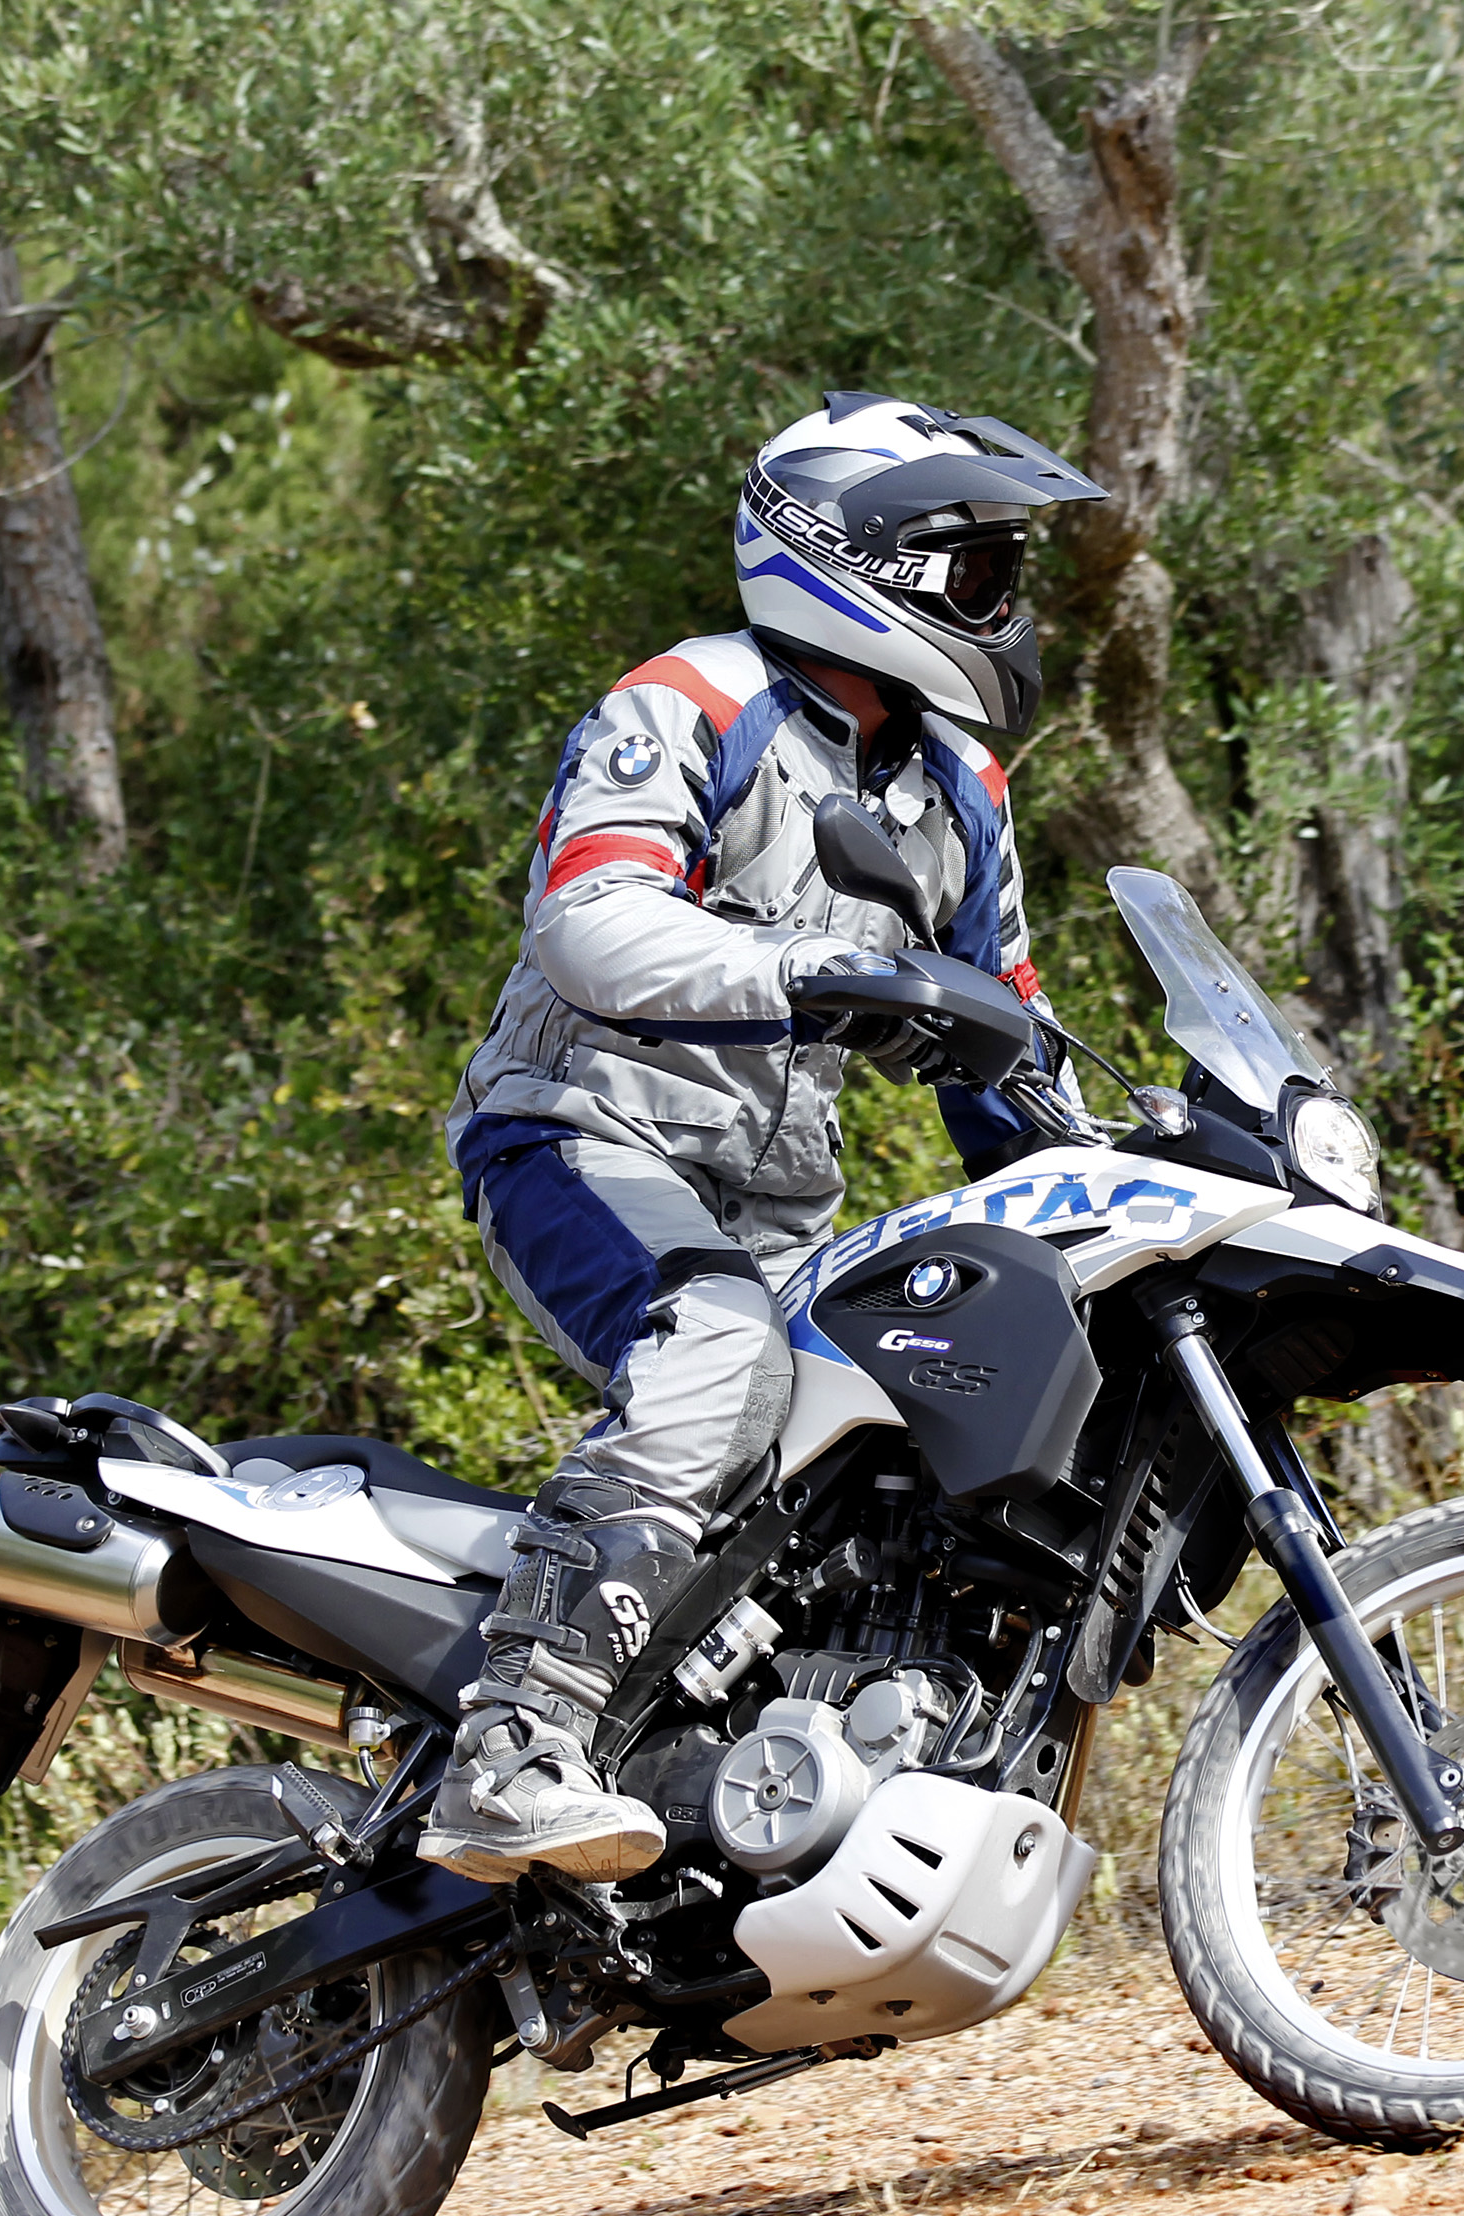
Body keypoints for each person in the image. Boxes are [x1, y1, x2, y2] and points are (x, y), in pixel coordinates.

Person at [419, 394, 1107, 1882]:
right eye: (977, 571)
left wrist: (1129, 1159)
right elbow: (590, 923)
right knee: (715, 1353)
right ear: (856, 558)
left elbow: (1003, 1039)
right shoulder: (690, 703)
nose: (1006, 605)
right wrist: (801, 969)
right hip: (585, 1137)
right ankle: (511, 1745)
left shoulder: (958, 790)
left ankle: (728, 1782)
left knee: (876, 1452)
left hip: (780, 1205)